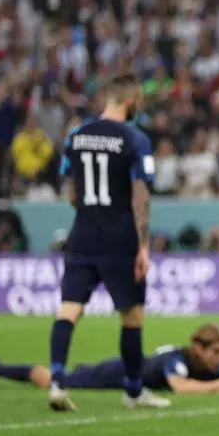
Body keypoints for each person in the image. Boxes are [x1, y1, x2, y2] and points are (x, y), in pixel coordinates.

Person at [47, 73, 167, 412]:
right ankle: (133, 392)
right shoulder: (135, 139)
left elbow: (71, 190)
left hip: (82, 232)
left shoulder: (76, 134)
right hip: (120, 236)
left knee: (69, 308)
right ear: (130, 100)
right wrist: (143, 245)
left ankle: (57, 381)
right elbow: (140, 196)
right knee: (131, 315)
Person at [0, 323, 219, 395]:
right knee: (54, 381)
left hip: (128, 377)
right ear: (198, 348)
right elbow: (180, 387)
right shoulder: (177, 359)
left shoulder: (218, 367)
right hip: (116, 372)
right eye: (216, 352)